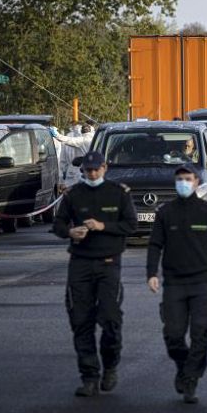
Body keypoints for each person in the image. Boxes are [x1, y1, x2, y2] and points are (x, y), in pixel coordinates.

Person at [146, 165, 207, 405]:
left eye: (188, 179)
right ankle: (183, 365)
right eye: (179, 179)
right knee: (173, 335)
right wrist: (151, 273)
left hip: (201, 282)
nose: (183, 183)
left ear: (197, 182)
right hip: (173, 282)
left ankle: (191, 378)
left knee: (200, 332)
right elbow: (155, 244)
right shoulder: (165, 212)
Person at [53, 151, 138, 397]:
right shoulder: (74, 195)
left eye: (95, 169)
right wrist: (70, 232)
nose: (91, 174)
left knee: (110, 319)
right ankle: (89, 375)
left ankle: (110, 366)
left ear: (104, 168)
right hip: (80, 262)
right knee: (81, 320)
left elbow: (130, 224)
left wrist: (103, 226)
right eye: (88, 171)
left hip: (108, 262)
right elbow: (58, 225)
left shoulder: (118, 193)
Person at [53, 122, 95, 188]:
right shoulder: (97, 139)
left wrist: (56, 134)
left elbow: (67, 140)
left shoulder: (82, 140)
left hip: (81, 169)